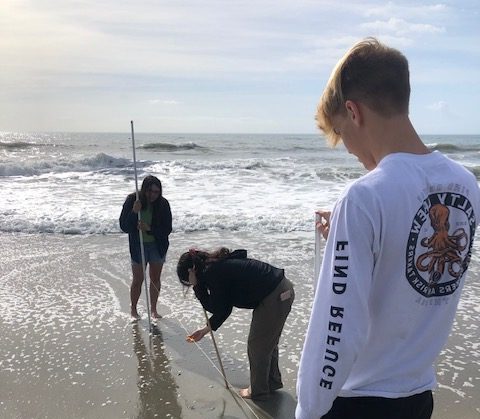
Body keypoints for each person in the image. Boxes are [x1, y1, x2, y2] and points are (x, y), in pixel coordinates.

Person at [295, 37, 480, 419]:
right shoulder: (466, 185)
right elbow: (417, 280)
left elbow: (336, 330)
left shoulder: (363, 198)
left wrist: (308, 410)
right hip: (418, 396)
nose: (346, 148)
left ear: (353, 111)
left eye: (341, 132)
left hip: (357, 402)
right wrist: (346, 242)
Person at [176, 247, 294, 400]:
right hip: (280, 289)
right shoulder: (214, 267)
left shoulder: (213, 273)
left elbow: (216, 308)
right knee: (266, 343)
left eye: (188, 280)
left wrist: (197, 287)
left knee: (257, 345)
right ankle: (272, 382)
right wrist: (205, 330)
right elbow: (224, 308)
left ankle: (259, 392)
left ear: (192, 271)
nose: (190, 284)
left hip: (275, 295)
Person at [120, 175, 172, 319]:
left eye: (156, 192)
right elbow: (124, 226)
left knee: (155, 278)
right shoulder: (132, 201)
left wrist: (149, 228)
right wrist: (134, 212)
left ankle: (154, 310)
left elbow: (167, 229)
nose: (152, 195)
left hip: (157, 246)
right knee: (138, 279)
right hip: (138, 246)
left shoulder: (163, 204)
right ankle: (133, 309)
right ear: (144, 190)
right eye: (149, 191)